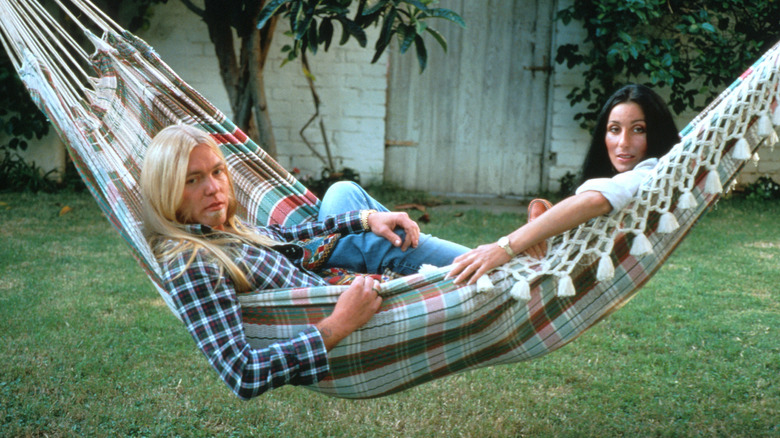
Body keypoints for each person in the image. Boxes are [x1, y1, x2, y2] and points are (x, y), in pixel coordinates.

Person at [140, 124, 467, 399]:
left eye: (217, 172)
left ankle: (475, 253)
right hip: (349, 311)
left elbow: (290, 237)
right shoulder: (194, 261)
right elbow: (243, 374)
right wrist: (338, 325)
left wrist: (367, 219)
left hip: (327, 269)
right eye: (192, 180)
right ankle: (496, 261)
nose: (214, 188)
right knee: (384, 245)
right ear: (167, 189)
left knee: (343, 193)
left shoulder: (221, 229)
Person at [448, 84, 679, 285]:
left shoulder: (647, 175)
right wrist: (539, 220)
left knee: (414, 256)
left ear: (656, 132)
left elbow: (595, 200)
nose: (623, 142)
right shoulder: (637, 178)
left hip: (514, 282)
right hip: (527, 275)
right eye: (614, 129)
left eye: (639, 129)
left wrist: (504, 248)